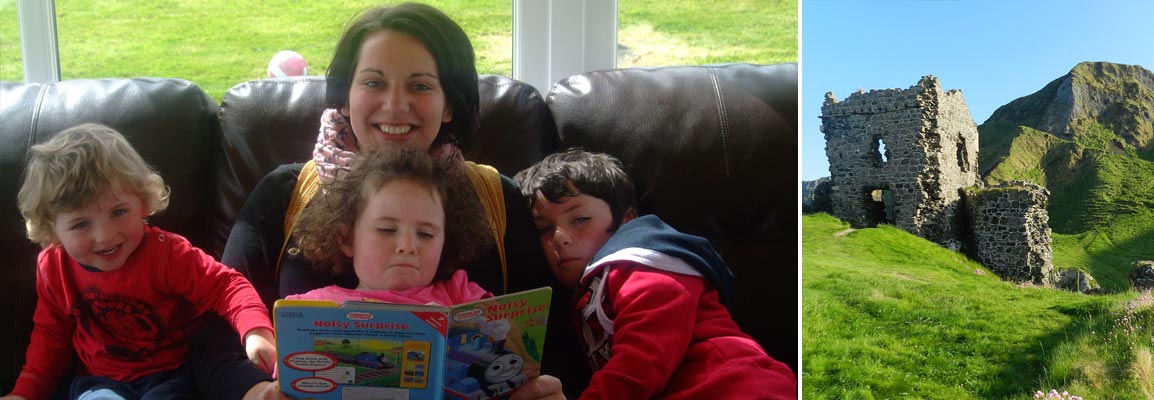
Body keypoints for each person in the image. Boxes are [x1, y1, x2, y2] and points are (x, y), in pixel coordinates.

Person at [199, 3, 579, 399]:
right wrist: (256, 391)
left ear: (449, 104)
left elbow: (552, 342)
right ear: (344, 98)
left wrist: (541, 390)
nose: (396, 105)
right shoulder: (284, 194)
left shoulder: (496, 198)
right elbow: (214, 335)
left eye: (420, 86)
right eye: (374, 83)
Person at [3, 124, 275, 400]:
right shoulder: (54, 267)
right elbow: (50, 338)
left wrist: (255, 331)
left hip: (175, 375)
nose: (105, 236)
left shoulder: (166, 254)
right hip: (99, 382)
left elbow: (226, 285)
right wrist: (24, 393)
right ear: (52, 230)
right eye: (81, 224)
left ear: (143, 203)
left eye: (118, 212)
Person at [514, 149, 799, 399]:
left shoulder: (641, 259)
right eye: (544, 228)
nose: (560, 238)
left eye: (580, 219)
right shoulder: (583, 292)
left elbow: (642, 359)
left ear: (627, 221)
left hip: (733, 385)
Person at [285, 148, 494, 304]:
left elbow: (512, 344)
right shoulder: (313, 307)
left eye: (425, 233)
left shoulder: (460, 296)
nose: (407, 245)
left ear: (445, 242)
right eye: (387, 230)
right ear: (346, 239)